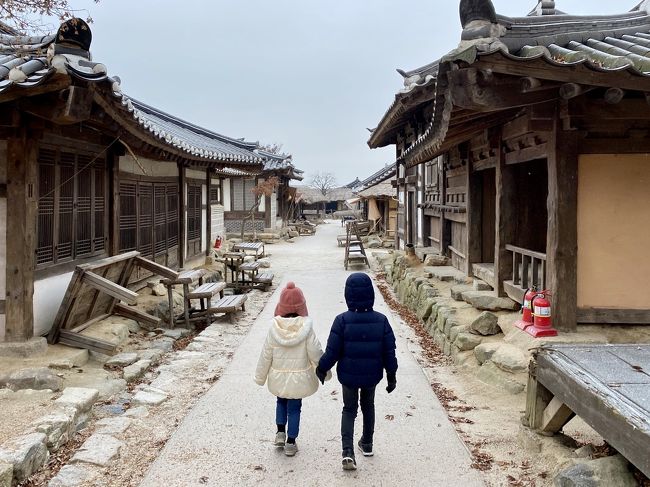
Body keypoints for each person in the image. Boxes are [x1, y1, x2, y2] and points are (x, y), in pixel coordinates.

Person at [316, 273, 398, 471]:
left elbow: (332, 351)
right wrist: (391, 375)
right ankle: (367, 443)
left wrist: (322, 367)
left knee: (349, 409)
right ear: (371, 294)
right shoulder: (381, 321)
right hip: (372, 374)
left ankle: (347, 452)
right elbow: (389, 351)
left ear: (348, 295)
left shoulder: (341, 321)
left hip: (349, 375)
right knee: (368, 405)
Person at [254, 282, 328, 457]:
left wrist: (260, 377)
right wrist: (325, 370)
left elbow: (266, 355)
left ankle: (280, 432)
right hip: (298, 379)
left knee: (281, 402)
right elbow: (316, 352)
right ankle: (291, 442)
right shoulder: (306, 329)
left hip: (279, 377)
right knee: (295, 408)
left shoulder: (274, 329)